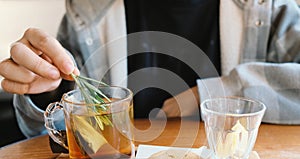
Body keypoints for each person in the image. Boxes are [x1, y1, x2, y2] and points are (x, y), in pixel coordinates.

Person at [0, 0, 300, 139]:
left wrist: (220, 92)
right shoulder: (88, 17)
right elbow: (47, 132)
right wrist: (47, 92)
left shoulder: (268, 10)